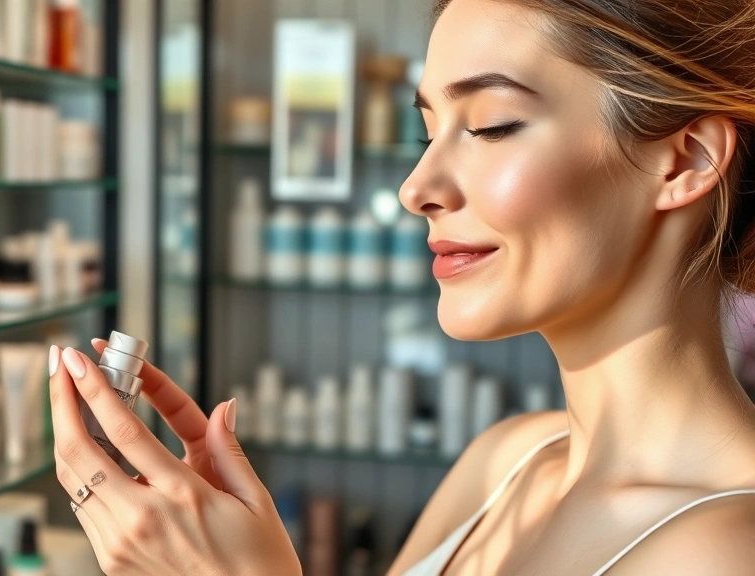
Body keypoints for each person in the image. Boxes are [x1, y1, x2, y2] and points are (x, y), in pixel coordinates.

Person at [47, 0, 755, 573]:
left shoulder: (725, 547)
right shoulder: (506, 460)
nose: (416, 188)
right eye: (427, 134)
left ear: (684, 161)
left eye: (492, 125)